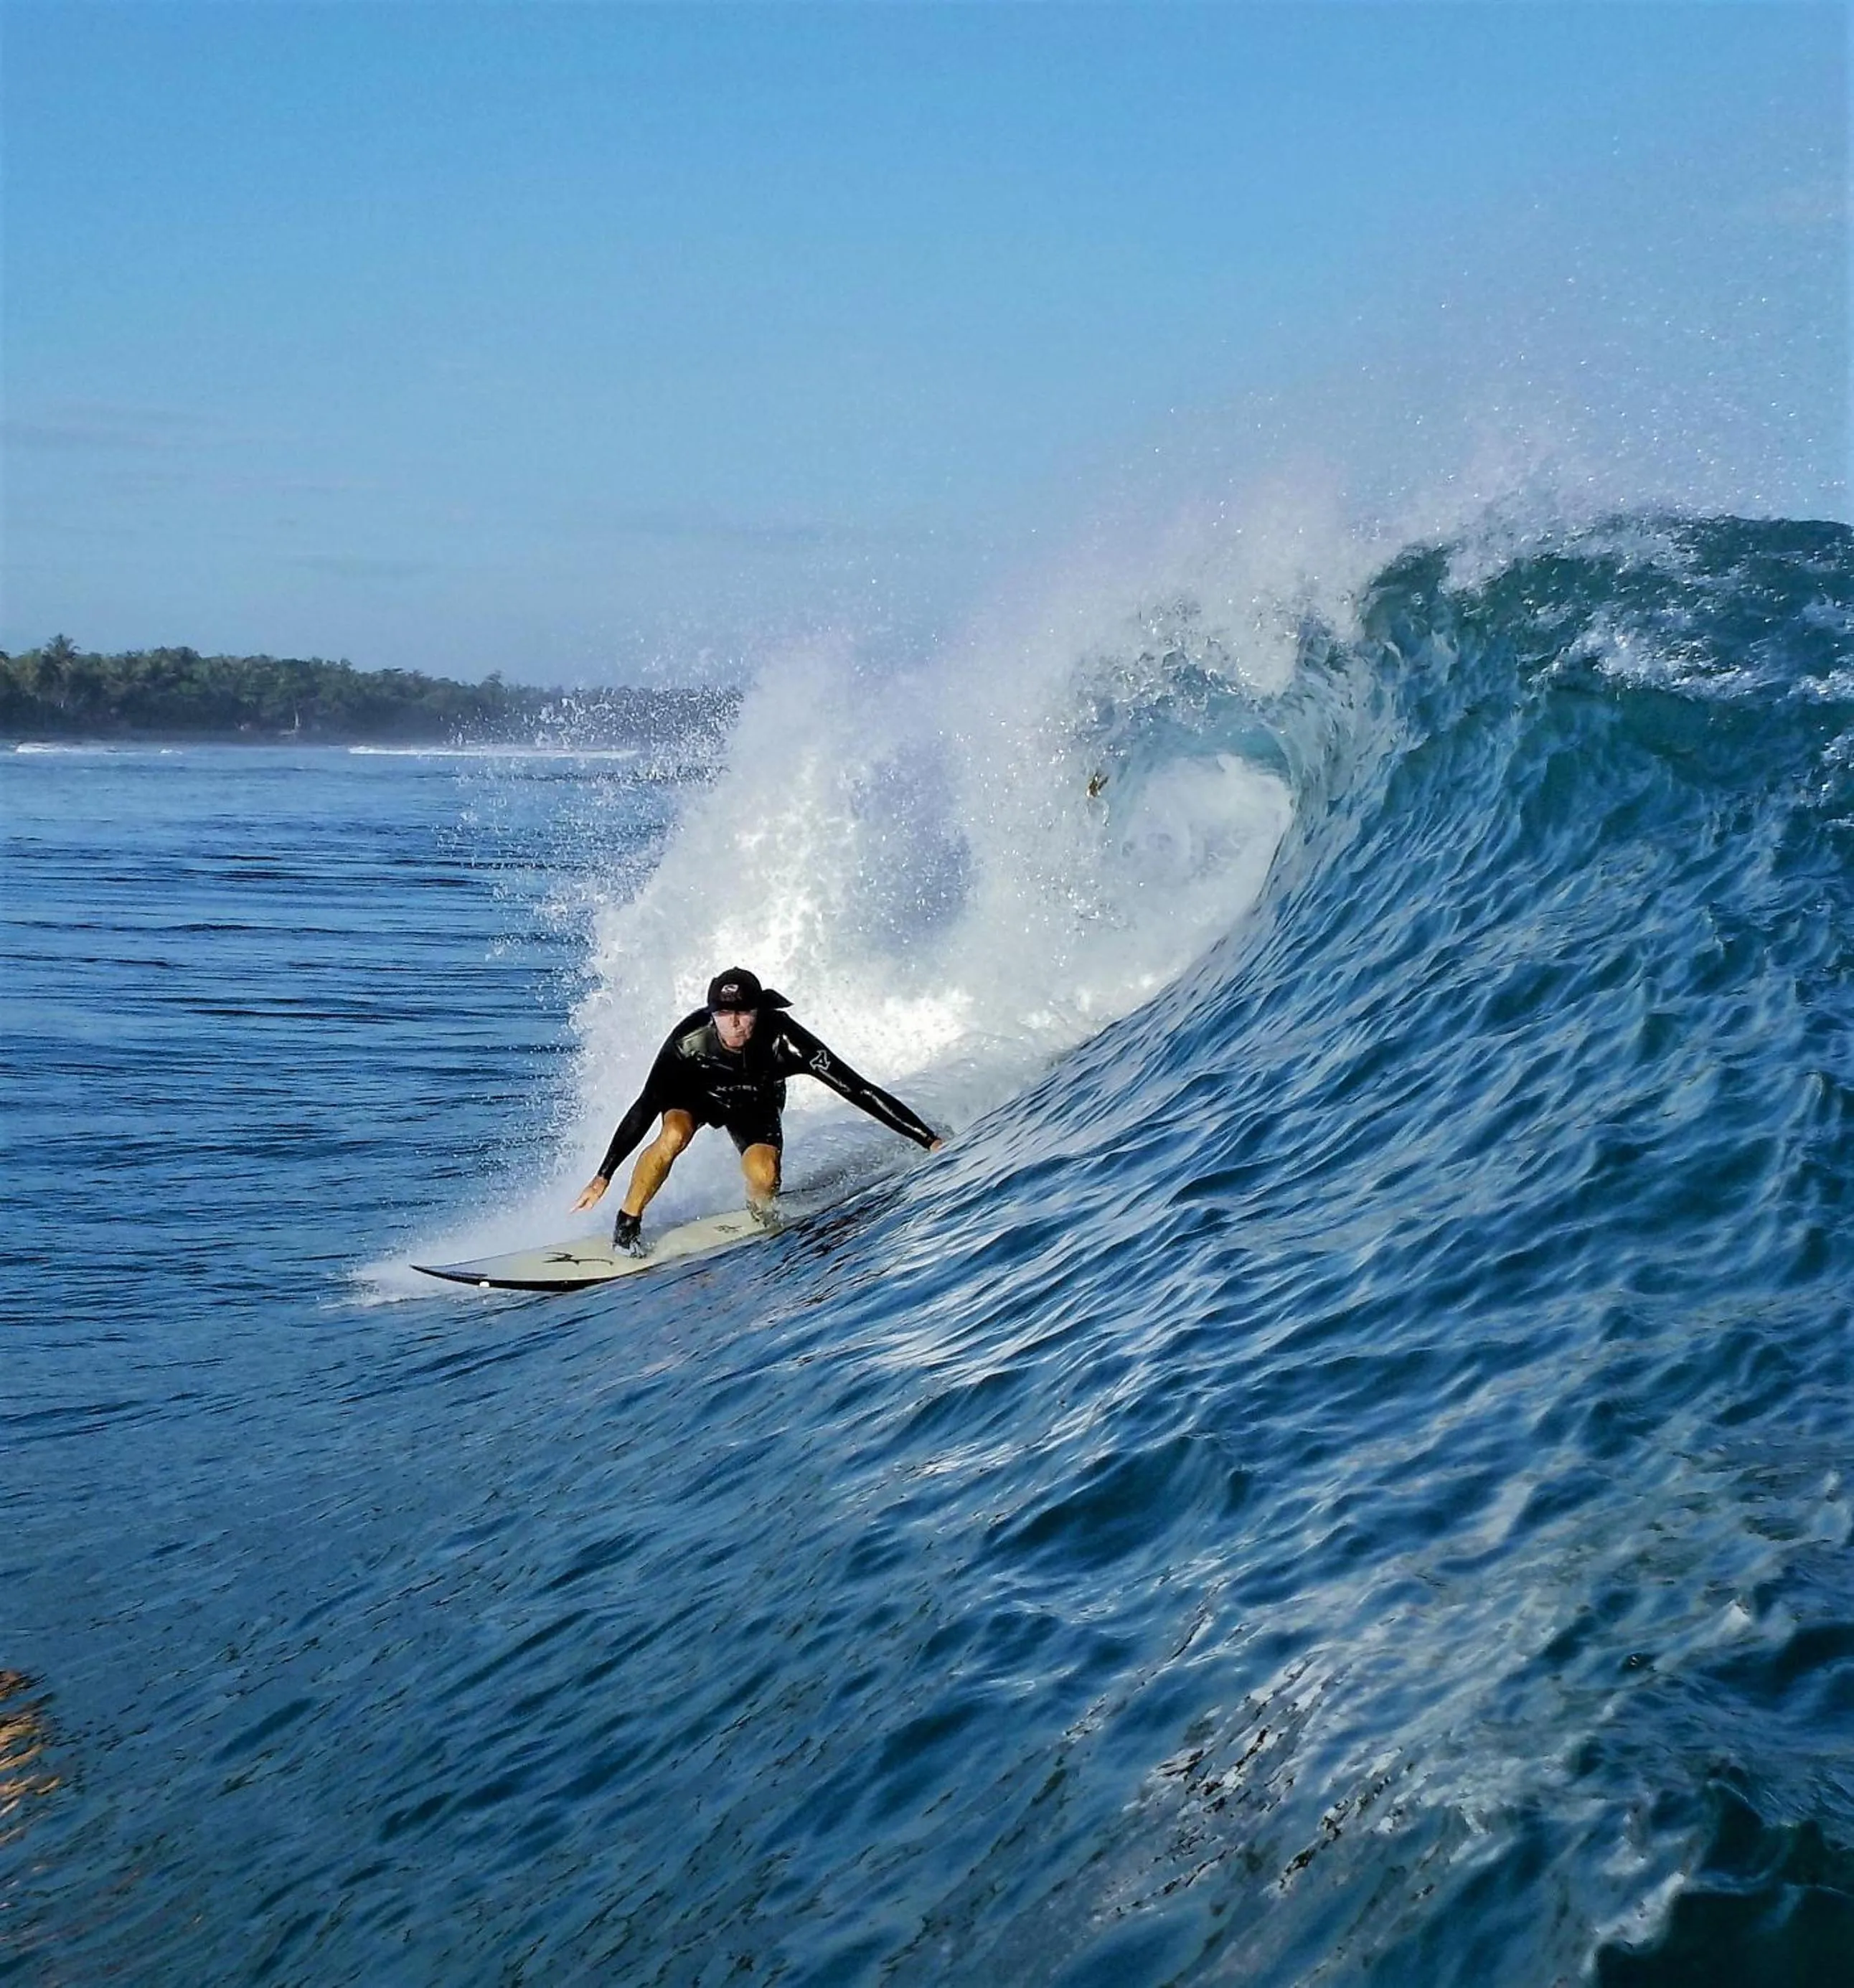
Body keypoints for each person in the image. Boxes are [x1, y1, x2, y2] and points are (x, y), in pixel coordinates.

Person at [573, 966, 944, 1254]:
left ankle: (760, 1212)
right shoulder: (687, 1043)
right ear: (712, 1013)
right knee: (673, 1135)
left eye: (743, 1013)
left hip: (755, 1102)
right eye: (723, 1014)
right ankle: (628, 1221)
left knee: (765, 1175)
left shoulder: (787, 1041)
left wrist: (927, 1140)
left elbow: (858, 1089)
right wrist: (603, 1174)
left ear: (760, 1011)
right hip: (695, 1097)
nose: (733, 1023)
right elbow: (644, 1106)